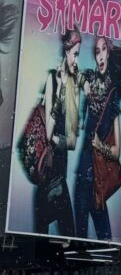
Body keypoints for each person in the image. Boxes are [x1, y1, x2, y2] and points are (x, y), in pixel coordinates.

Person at [74, 35, 121, 241]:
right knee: (80, 238)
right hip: (82, 175)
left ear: (109, 54)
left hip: (97, 180)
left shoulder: (113, 96)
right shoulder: (90, 77)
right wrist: (84, 84)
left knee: (105, 240)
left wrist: (99, 145)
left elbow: (116, 151)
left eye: (104, 50)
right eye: (97, 51)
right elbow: (77, 74)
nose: (100, 55)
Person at [35, 26, 83, 237]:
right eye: (75, 54)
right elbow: (47, 134)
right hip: (46, 176)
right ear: (66, 50)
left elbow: (71, 142)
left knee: (68, 236)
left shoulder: (74, 87)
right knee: (42, 239)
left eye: (78, 55)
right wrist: (59, 92)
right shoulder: (51, 79)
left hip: (59, 179)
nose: (77, 60)